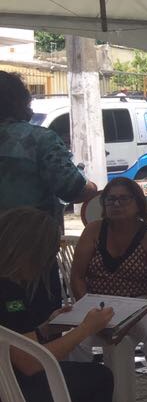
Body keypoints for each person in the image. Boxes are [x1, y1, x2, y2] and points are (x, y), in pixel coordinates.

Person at [67, 177, 147, 402]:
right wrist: (89, 311)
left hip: (144, 303)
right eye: (111, 199)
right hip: (98, 304)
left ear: (138, 203)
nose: (116, 204)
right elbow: (77, 276)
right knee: (75, 340)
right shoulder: (93, 231)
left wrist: (129, 319)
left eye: (124, 199)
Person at [0, 208, 114, 402]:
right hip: (9, 396)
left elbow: (14, 340)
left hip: (9, 381)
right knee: (99, 378)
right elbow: (31, 363)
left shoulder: (9, 284)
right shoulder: (8, 290)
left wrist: (45, 330)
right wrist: (85, 329)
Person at [0, 70, 98, 308]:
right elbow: (71, 188)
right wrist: (91, 187)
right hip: (29, 252)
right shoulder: (38, 139)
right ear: (21, 102)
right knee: (31, 313)